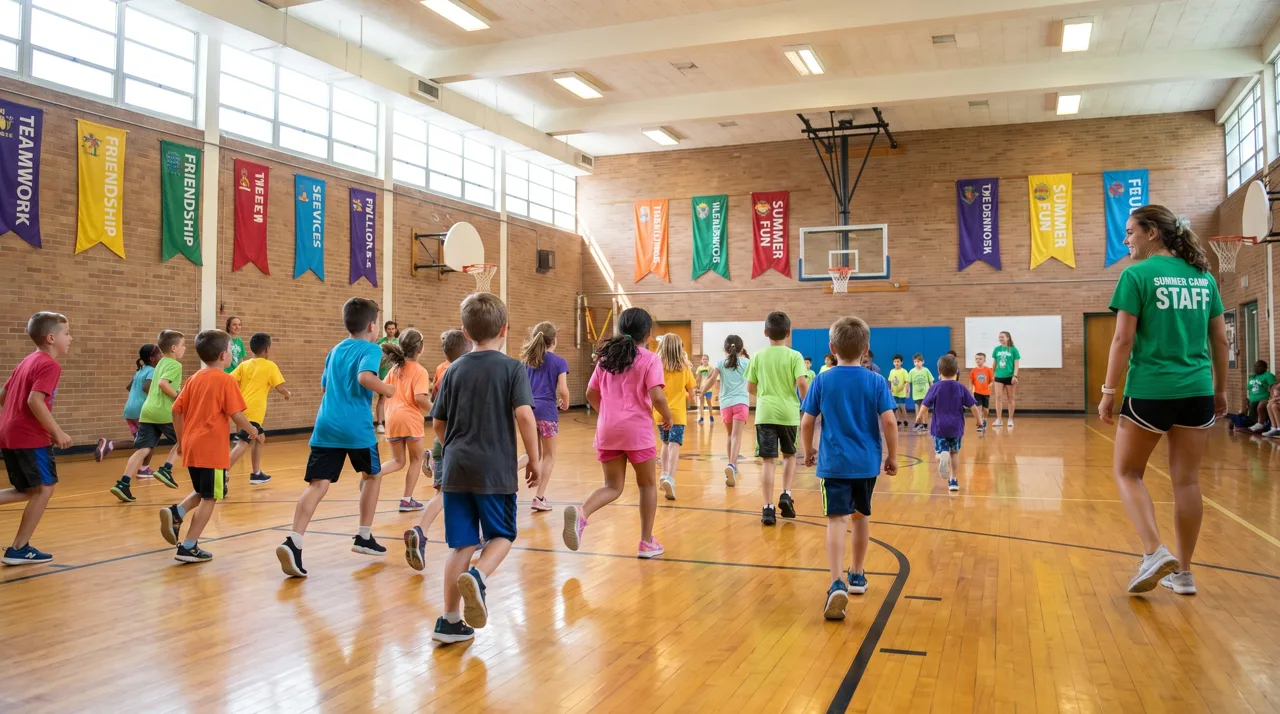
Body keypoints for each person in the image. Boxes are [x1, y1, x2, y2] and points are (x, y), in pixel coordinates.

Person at [1098, 205, 1227, 596]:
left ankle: (1154, 552)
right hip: (1198, 391)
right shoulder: (1204, 277)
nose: (1125, 240)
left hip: (1152, 390)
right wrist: (1220, 389)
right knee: (1186, 481)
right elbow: (1219, 339)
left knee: (1127, 473)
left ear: (1152, 232)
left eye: (1130, 232)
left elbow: (1122, 340)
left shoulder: (1135, 275)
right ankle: (1184, 574)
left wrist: (1108, 392)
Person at [430, 293, 540, 644]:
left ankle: (449, 622)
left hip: (456, 469)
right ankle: (478, 577)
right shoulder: (512, 368)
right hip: (494, 470)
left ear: (465, 331)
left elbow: (437, 423)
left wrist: (455, 449)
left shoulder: (453, 369)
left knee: (461, 546)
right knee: (503, 535)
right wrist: (534, 458)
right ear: (505, 329)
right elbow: (524, 415)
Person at [275, 297, 395, 578]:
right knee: (372, 476)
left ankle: (294, 541)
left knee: (318, 485)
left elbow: (325, 385)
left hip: (326, 424)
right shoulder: (370, 349)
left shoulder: (335, 350)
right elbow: (366, 378)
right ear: (372, 326)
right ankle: (364, 535)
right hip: (356, 427)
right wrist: (387, 390)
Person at [799, 316, 897, 619]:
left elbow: (807, 421)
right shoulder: (876, 381)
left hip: (834, 465)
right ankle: (856, 574)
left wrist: (808, 450)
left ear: (831, 348)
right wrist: (892, 456)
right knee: (861, 516)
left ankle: (836, 582)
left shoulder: (822, 380)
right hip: (866, 465)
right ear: (866, 349)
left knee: (837, 521)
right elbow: (890, 421)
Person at [563, 308, 672, 558]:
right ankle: (646, 542)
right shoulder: (650, 359)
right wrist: (667, 416)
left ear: (621, 330)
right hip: (637, 431)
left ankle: (582, 514)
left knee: (612, 486)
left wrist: (607, 413)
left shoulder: (606, 359)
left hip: (608, 429)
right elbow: (656, 395)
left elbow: (591, 394)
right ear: (648, 333)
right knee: (647, 485)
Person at [159, 330, 264, 563]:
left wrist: (180, 439)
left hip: (192, 445)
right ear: (224, 355)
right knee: (211, 497)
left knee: (203, 489)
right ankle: (188, 546)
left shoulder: (194, 378)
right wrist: (252, 430)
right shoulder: (225, 380)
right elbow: (236, 415)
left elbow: (176, 410)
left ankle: (177, 512)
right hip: (211, 449)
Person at [0, 312, 72, 565]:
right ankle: (19, 548)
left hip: (8, 433)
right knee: (44, 489)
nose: (70, 338)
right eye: (67, 333)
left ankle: (19, 547)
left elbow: (3, 394)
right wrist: (57, 432)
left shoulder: (27, 360)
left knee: (28, 489)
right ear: (51, 337)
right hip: (29, 436)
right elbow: (34, 400)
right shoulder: (50, 364)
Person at [403, 329, 471, 571]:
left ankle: (420, 530)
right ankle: (478, 538)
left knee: (442, 495)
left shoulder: (442, 373)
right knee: (477, 493)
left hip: (440, 442)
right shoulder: (467, 375)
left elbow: (435, 409)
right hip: (460, 444)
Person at [745, 311, 808, 525]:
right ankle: (786, 494)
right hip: (789, 414)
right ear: (788, 333)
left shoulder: (758, 356)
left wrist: (765, 397)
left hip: (764, 414)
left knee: (768, 462)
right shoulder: (795, 356)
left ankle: (767, 508)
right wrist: (806, 404)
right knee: (789, 456)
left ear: (765, 332)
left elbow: (750, 387)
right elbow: (801, 383)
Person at [111, 330, 185, 502]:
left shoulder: (158, 364)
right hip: (164, 412)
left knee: (143, 449)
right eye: (183, 345)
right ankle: (166, 469)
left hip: (147, 411)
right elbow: (162, 384)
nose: (185, 348)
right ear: (174, 348)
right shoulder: (175, 365)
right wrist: (179, 397)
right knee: (185, 439)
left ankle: (123, 483)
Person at [376, 328, 431, 512]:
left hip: (391, 418)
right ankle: (407, 499)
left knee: (398, 461)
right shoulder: (420, 371)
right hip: (410, 419)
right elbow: (420, 399)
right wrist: (438, 409)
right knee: (416, 460)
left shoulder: (394, 369)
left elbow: (385, 390)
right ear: (420, 349)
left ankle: (373, 474)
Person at [518, 322, 569, 512]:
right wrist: (566, 401)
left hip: (528, 411)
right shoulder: (558, 362)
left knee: (531, 454)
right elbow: (562, 389)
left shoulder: (526, 362)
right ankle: (539, 497)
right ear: (554, 340)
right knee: (548, 456)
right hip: (547, 411)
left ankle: (505, 475)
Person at [229, 333, 290, 485]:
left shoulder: (244, 365)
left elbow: (229, 380)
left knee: (260, 438)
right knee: (243, 442)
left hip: (242, 409)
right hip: (253, 412)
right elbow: (279, 387)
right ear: (267, 349)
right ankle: (221, 472)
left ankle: (256, 473)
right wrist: (287, 394)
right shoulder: (270, 366)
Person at [920, 355, 985, 492]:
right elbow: (973, 407)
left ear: (939, 371)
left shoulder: (935, 387)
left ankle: (941, 456)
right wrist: (979, 422)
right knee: (954, 453)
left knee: (939, 451)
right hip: (956, 427)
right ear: (957, 371)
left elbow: (925, 405)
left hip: (939, 427)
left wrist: (919, 418)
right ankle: (953, 480)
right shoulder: (961, 388)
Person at [99, 345, 161, 475]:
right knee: (150, 441)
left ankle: (143, 468)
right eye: (159, 355)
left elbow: (129, 387)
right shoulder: (152, 371)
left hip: (130, 410)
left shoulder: (140, 370)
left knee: (140, 443)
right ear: (152, 358)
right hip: (141, 411)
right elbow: (146, 388)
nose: (161, 357)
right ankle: (113, 446)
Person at [702, 335, 750, 487]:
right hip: (741, 402)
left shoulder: (721, 363)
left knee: (730, 435)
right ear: (741, 349)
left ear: (725, 349)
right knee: (737, 436)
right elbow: (756, 380)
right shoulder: (747, 362)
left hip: (725, 404)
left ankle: (732, 465)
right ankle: (732, 465)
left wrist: (702, 391)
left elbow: (711, 379)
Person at [655, 333, 697, 500]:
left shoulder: (656, 366)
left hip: (659, 411)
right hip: (677, 414)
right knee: (675, 444)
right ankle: (671, 478)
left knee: (665, 443)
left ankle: (664, 473)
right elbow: (692, 395)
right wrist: (684, 395)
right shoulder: (685, 367)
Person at [375, 320, 400, 434]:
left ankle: (393, 421)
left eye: (393, 329)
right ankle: (380, 423)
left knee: (397, 399)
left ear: (395, 330)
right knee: (382, 399)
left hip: (397, 374)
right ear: (385, 330)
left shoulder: (399, 342)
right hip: (384, 374)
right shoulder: (380, 343)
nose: (391, 331)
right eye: (389, 329)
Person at [991, 331, 1020, 427]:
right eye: (999, 337)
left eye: (1002, 337)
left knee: (1010, 398)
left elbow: (1016, 364)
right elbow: (994, 363)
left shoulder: (1013, 350)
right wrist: (992, 374)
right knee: (998, 397)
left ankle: (1010, 419)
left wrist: (1014, 376)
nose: (1001, 338)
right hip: (998, 376)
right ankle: (999, 419)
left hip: (1010, 376)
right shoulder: (996, 349)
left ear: (1008, 338)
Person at [1245, 360, 1275, 432]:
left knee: (1260, 406)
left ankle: (1260, 424)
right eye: (1255, 366)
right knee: (1247, 404)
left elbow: (1273, 388)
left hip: (1265, 398)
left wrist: (1271, 398)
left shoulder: (1268, 375)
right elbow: (1250, 390)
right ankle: (1246, 421)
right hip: (1253, 399)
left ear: (1265, 367)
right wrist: (1248, 399)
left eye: (1258, 366)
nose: (1256, 368)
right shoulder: (1252, 377)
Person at [908, 353, 934, 432]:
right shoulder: (912, 371)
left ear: (922, 362)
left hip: (925, 395)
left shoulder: (926, 370)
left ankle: (925, 424)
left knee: (925, 410)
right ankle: (918, 424)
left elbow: (931, 382)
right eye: (915, 361)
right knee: (918, 410)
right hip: (916, 395)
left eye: (918, 361)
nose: (917, 363)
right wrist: (908, 391)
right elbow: (908, 382)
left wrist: (931, 391)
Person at [969, 352, 994, 433]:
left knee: (985, 409)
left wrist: (990, 385)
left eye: (980, 359)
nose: (978, 360)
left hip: (986, 392)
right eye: (976, 359)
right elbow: (971, 381)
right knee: (978, 408)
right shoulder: (973, 371)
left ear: (984, 360)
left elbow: (992, 380)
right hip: (977, 392)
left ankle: (985, 419)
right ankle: (980, 424)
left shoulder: (988, 370)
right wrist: (970, 389)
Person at [887, 355, 910, 429]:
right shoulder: (892, 371)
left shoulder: (904, 371)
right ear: (893, 363)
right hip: (894, 393)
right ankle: (898, 420)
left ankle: (905, 420)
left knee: (902, 407)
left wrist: (903, 387)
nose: (896, 363)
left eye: (898, 361)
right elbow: (890, 381)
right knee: (896, 407)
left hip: (901, 393)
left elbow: (907, 381)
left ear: (901, 362)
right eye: (895, 361)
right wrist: (890, 389)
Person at [695, 354, 714, 424]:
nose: (705, 360)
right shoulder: (699, 368)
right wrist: (696, 385)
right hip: (701, 388)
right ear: (701, 360)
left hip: (708, 388)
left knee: (709, 403)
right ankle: (701, 418)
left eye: (706, 359)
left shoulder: (710, 368)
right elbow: (698, 377)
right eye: (703, 359)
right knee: (701, 403)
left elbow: (711, 378)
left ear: (708, 360)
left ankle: (711, 416)